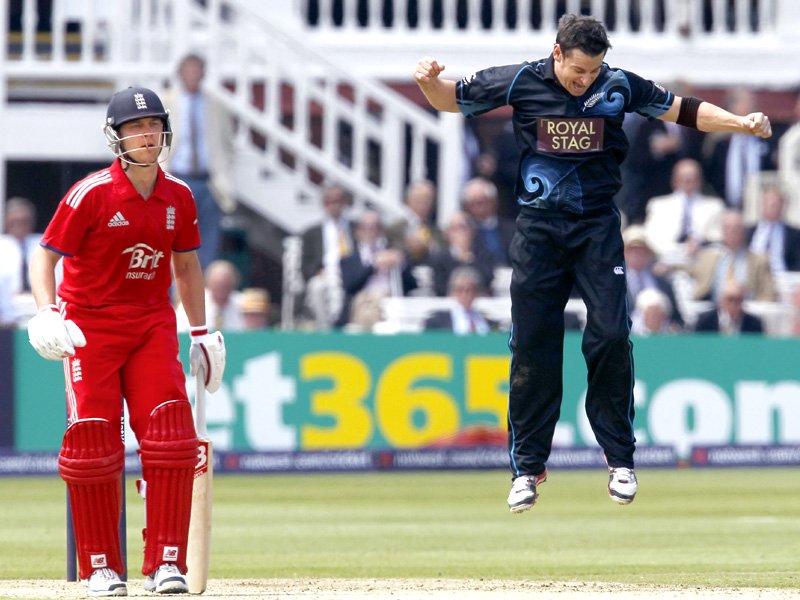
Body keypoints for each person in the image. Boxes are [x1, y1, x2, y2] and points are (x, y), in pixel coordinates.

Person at [414, 13, 772, 512]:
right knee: (533, 346)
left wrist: (739, 121)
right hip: (538, 232)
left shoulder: (618, 85)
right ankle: (527, 468)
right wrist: (430, 83)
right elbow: (451, 98)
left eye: (593, 72)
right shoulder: (522, 80)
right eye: (578, 71)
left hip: (597, 228)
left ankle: (620, 460)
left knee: (609, 335)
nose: (586, 82)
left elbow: (682, 110)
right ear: (557, 53)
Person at [26, 86, 226, 596]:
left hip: (151, 322)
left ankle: (166, 562)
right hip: (88, 325)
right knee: (93, 441)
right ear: (115, 137)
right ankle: (100, 566)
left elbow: (186, 265)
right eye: (135, 128)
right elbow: (44, 256)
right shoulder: (90, 193)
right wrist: (47, 311)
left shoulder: (178, 195)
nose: (146, 135)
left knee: (173, 440)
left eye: (153, 125)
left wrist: (200, 333)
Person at [164, 53, 235, 270]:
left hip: (208, 180)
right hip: (178, 177)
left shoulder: (215, 104)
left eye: (197, 69)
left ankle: (202, 295)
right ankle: (177, 297)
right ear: (180, 73)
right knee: (175, 239)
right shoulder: (167, 100)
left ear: (203, 73)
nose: (193, 74)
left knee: (208, 241)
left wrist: (223, 169)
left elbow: (226, 141)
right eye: (189, 70)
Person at [337, 209, 417, 330]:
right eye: (367, 227)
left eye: (375, 227)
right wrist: (373, 266)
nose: (371, 232)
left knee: (373, 309)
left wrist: (401, 265)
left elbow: (412, 285)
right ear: (358, 232)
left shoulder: (395, 253)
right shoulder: (350, 258)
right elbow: (350, 286)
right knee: (367, 311)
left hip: (389, 299)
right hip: (362, 300)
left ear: (382, 231)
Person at [642, 158, 725, 265]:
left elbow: (719, 237)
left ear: (700, 180)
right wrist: (680, 250)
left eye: (692, 177)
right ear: (674, 181)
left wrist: (700, 242)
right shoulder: (658, 205)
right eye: (683, 177)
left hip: (703, 260)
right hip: (667, 259)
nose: (688, 180)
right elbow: (651, 237)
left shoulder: (715, 206)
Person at [689, 209, 777, 302]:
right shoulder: (708, 256)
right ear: (722, 231)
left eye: (736, 228)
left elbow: (768, 294)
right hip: (713, 310)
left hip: (745, 310)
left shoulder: (759, 260)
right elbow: (689, 269)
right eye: (727, 228)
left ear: (743, 231)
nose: (732, 232)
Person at [300, 184, 354, 329]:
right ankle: (326, 329)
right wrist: (318, 272)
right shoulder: (311, 233)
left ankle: (340, 326)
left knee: (341, 290)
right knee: (317, 287)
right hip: (325, 273)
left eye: (338, 201)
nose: (334, 205)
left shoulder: (355, 229)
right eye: (329, 201)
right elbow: (305, 264)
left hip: (350, 273)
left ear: (345, 203)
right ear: (324, 204)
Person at [622, 225, 685, 329]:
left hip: (660, 338)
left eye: (641, 250)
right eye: (631, 250)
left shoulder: (662, 281)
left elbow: (676, 317)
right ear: (624, 254)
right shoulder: (617, 283)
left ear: (648, 253)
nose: (636, 254)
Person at [427, 211, 495, 297]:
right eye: (454, 229)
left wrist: (468, 259)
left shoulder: (484, 255)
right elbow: (440, 287)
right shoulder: (439, 258)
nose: (460, 232)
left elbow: (487, 280)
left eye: (463, 227)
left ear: (471, 231)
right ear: (447, 234)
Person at [386, 179, 445, 266]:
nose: (424, 204)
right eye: (419, 200)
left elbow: (442, 253)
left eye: (428, 200)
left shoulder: (436, 230)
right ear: (408, 201)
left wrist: (429, 247)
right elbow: (393, 251)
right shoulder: (395, 229)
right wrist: (410, 248)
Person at [461, 177, 516, 268]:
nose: (477, 207)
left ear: (493, 201)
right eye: (472, 203)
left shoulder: (512, 229)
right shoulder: (465, 230)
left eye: (481, 202)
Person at [176, 259, 245, 332]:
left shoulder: (243, 304)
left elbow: (252, 332)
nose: (221, 289)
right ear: (208, 283)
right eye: (217, 284)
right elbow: (180, 331)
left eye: (226, 285)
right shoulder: (192, 303)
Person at [424, 266, 495, 334]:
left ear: (476, 292)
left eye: (469, 290)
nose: (465, 294)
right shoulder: (438, 322)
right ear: (454, 292)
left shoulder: (487, 322)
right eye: (460, 290)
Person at [746, 186, 800, 273]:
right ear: (762, 205)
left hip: (784, 278)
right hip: (754, 279)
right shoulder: (748, 232)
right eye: (769, 203)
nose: (772, 207)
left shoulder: (795, 235)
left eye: (776, 204)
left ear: (783, 206)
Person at [694, 279, 764, 334]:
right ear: (721, 300)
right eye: (730, 299)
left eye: (739, 300)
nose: (734, 304)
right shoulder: (704, 321)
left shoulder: (754, 324)